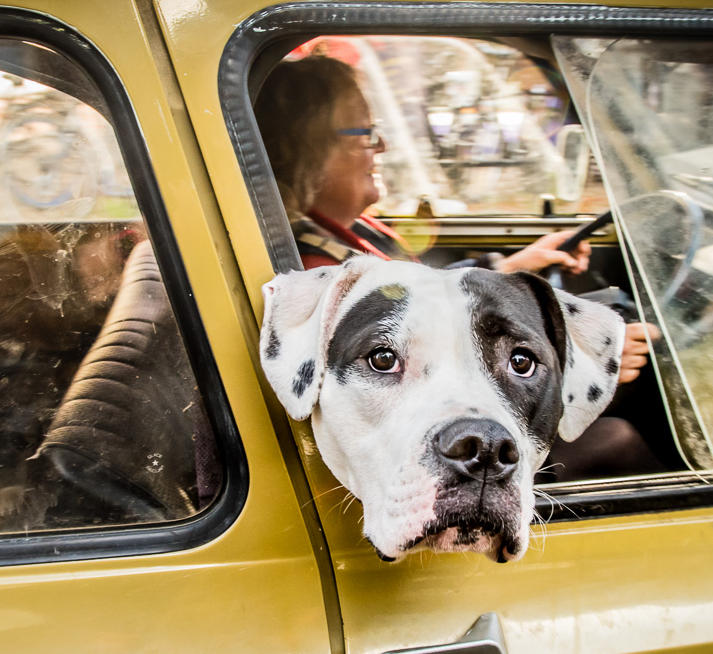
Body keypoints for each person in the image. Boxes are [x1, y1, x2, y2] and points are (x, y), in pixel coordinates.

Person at [254, 54, 662, 480]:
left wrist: (514, 265)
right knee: (620, 439)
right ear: (307, 145)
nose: (382, 147)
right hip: (440, 462)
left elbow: (426, 301)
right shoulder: (314, 265)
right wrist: (574, 359)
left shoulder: (343, 232)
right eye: (365, 133)